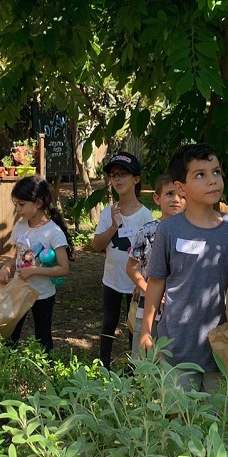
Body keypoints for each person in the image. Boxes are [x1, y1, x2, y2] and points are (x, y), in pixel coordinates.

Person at [140, 143, 228, 392]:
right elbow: (156, 282)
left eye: (216, 172)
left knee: (220, 421)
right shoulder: (168, 230)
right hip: (178, 345)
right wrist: (146, 330)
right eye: (200, 174)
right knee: (179, 421)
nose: (212, 181)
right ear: (180, 187)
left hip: (222, 346)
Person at [0, 175, 72, 353]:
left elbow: (63, 268)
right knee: (10, 334)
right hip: (18, 291)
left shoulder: (54, 233)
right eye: (16, 204)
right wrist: (6, 267)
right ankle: (5, 372)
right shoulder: (20, 226)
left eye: (21, 204)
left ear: (38, 203)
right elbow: (16, 257)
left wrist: (34, 271)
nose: (17, 209)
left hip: (42, 295)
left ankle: (46, 374)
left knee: (43, 336)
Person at [92, 152, 153, 369]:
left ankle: (132, 371)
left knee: (133, 326)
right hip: (111, 280)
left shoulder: (146, 216)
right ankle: (103, 367)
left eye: (123, 174)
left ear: (136, 179)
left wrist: (142, 284)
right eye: (113, 175)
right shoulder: (109, 212)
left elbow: (149, 254)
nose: (117, 179)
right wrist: (114, 225)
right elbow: (97, 246)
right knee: (108, 323)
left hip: (135, 284)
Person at [126, 174, 185, 358]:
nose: (176, 199)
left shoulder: (190, 231)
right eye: (169, 194)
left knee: (171, 367)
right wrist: (149, 290)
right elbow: (131, 267)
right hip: (147, 309)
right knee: (143, 362)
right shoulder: (148, 230)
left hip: (178, 312)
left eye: (181, 195)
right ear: (157, 198)